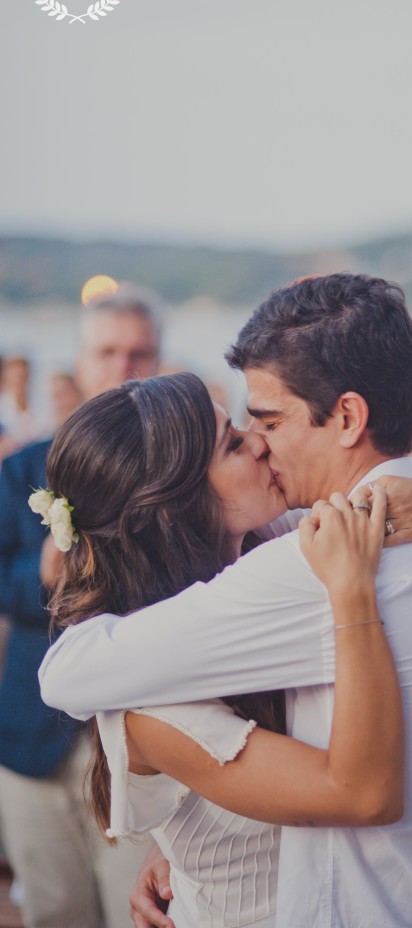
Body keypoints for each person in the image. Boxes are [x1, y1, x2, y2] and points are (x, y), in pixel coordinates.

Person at [40, 273, 412, 928]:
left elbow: (72, 671)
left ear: (348, 418)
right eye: (240, 430)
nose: (258, 440)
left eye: (268, 419)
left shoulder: (311, 566)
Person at [42, 371, 407, 928]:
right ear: (172, 510)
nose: (260, 441)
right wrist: (353, 592)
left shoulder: (269, 551)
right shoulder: (150, 709)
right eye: (233, 443)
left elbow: (391, 494)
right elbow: (363, 793)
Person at [0, 285, 162, 928]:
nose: (124, 367)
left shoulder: (179, 476)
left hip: (143, 752)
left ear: (158, 361)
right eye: (108, 351)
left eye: (139, 353)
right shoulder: (24, 470)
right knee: (51, 913)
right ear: (81, 360)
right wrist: (35, 573)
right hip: (32, 738)